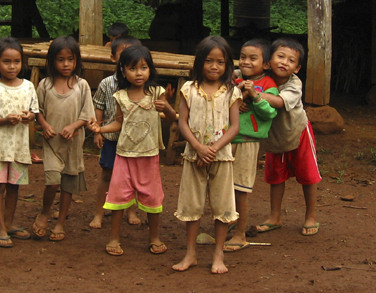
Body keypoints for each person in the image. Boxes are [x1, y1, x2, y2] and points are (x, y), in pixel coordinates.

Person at [88, 45, 176, 256]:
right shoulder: (120, 96)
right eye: (133, 68)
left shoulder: (156, 93)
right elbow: (118, 124)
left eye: (143, 67)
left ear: (150, 69)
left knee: (153, 198)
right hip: (124, 156)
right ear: (123, 71)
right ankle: (114, 238)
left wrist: (168, 108)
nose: (139, 73)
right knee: (118, 198)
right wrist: (100, 128)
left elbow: (173, 119)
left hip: (149, 156)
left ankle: (154, 237)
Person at [172, 36, 241, 274]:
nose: (214, 66)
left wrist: (213, 148)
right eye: (209, 61)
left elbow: (234, 126)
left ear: (227, 65)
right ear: (199, 62)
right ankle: (190, 253)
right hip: (193, 156)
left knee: (222, 207)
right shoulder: (188, 89)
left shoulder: (231, 91)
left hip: (221, 157)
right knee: (192, 206)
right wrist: (199, 148)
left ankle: (218, 254)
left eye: (220, 62)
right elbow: (182, 122)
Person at [255, 38, 321, 237]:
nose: (284, 62)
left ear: (297, 68)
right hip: (274, 138)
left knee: (307, 175)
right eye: (280, 56)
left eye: (291, 60)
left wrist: (254, 94)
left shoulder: (294, 84)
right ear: (268, 61)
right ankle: (275, 216)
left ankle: (311, 215)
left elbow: (279, 102)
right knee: (276, 177)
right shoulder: (262, 78)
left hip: (298, 132)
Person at [0, 37, 39, 248]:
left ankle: (10, 223)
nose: (12, 66)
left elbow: (34, 113)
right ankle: (1, 228)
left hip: (19, 148)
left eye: (16, 61)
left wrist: (29, 117)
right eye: (6, 61)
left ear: (22, 62)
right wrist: (5, 120)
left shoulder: (29, 87)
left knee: (14, 187)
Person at [33, 36, 95, 241]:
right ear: (52, 61)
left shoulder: (82, 85)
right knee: (52, 181)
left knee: (68, 182)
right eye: (60, 59)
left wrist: (74, 125)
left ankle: (61, 222)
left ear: (76, 60)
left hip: (73, 143)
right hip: (52, 143)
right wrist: (44, 124)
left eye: (70, 59)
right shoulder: (45, 84)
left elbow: (87, 115)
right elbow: (37, 110)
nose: (66, 64)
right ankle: (45, 212)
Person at [223, 39, 279, 252]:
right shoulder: (234, 79)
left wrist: (255, 97)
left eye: (253, 58)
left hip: (247, 141)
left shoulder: (268, 85)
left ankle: (240, 234)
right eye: (243, 56)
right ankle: (228, 226)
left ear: (265, 65)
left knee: (241, 188)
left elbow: (270, 113)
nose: (246, 61)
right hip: (227, 139)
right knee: (225, 186)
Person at [89, 35, 143, 229]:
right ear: (113, 58)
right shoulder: (106, 84)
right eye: (123, 56)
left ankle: (131, 210)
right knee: (107, 174)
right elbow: (99, 107)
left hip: (134, 141)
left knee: (132, 177)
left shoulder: (140, 85)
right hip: (111, 137)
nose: (129, 61)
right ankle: (99, 212)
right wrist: (98, 131)